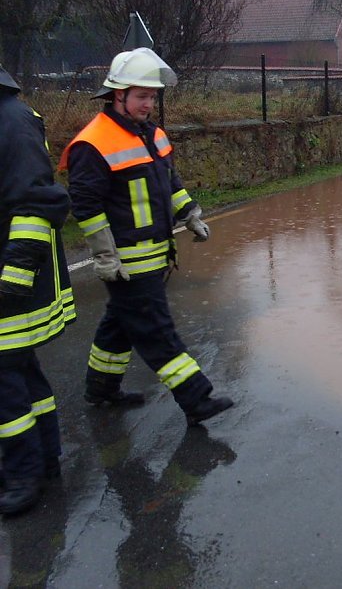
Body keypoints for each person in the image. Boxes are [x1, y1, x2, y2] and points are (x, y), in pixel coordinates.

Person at [59, 47, 233, 427]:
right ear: (116, 95)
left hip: (155, 253)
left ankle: (101, 389)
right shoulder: (93, 143)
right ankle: (197, 399)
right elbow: (85, 206)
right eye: (141, 96)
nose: (148, 103)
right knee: (156, 330)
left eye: (152, 96)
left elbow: (169, 182)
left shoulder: (152, 134)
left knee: (120, 323)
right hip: (127, 258)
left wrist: (189, 214)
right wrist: (105, 256)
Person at [0, 64, 76, 515]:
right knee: (21, 370)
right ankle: (45, 459)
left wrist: (13, 277)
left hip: (11, 279)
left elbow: (37, 201)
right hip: (13, 275)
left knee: (4, 380)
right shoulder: (12, 118)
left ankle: (22, 474)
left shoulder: (10, 122)